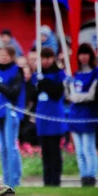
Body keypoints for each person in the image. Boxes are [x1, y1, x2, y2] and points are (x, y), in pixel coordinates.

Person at [0, 46, 25, 188]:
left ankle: (15, 178)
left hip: (10, 113)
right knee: (3, 148)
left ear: (11, 56)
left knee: (11, 147)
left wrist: (0, 85)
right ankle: (6, 177)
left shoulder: (17, 71)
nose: (1, 57)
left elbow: (13, 93)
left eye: (4, 55)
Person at [65, 43, 97, 187]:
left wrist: (75, 97)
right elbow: (68, 95)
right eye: (81, 54)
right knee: (79, 150)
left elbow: (91, 95)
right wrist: (67, 86)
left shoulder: (95, 73)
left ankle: (92, 175)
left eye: (86, 54)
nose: (83, 57)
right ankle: (83, 176)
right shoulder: (75, 74)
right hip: (75, 115)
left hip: (88, 115)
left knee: (88, 149)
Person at [34, 47, 66, 186]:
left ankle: (55, 179)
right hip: (42, 119)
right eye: (43, 58)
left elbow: (57, 93)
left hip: (54, 118)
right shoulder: (38, 74)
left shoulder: (59, 74)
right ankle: (47, 180)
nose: (46, 61)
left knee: (54, 150)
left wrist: (45, 82)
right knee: (45, 152)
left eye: (48, 58)